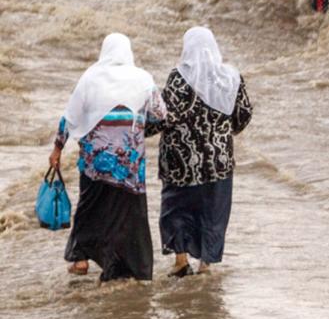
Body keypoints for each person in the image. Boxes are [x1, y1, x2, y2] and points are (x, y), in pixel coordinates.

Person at [48, 33, 166, 282]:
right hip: (129, 165)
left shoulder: (91, 77)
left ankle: (80, 259)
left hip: (95, 162)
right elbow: (160, 113)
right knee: (127, 216)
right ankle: (123, 267)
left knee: (90, 207)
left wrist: (57, 149)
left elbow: (69, 117)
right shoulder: (143, 78)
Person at [147, 27, 252, 277]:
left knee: (177, 209)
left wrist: (139, 129)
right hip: (219, 163)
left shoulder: (179, 78)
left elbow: (165, 116)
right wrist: (224, 134)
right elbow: (244, 114)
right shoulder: (231, 78)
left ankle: (181, 260)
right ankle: (206, 265)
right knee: (213, 213)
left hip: (181, 162)